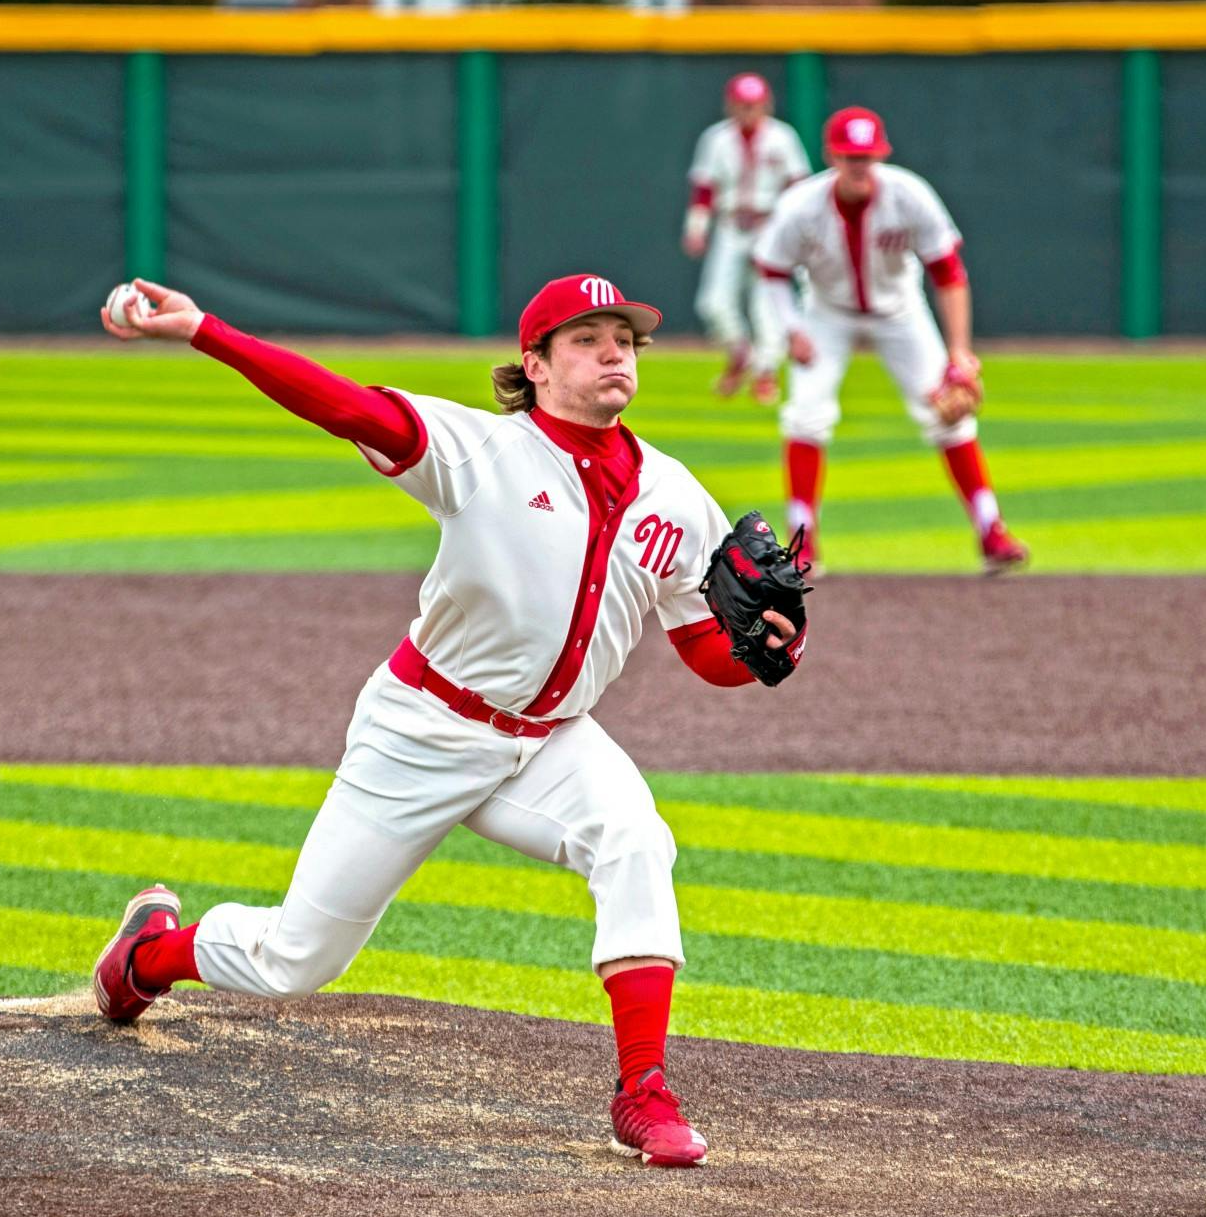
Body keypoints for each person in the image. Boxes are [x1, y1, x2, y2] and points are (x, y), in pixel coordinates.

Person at [91, 273, 801, 1169]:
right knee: (295, 960)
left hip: (552, 740)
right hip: (420, 730)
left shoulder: (676, 496)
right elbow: (343, 405)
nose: (614, 350)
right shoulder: (478, 451)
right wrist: (204, 330)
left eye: (624, 336)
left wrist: (771, 653)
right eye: (586, 338)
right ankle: (147, 957)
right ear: (535, 365)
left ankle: (644, 1090)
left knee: (635, 840)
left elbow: (706, 648)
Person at [752, 105, 1028, 576]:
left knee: (948, 416)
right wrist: (791, 329)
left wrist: (959, 350)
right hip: (827, 313)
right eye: (849, 156)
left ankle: (990, 532)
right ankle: (802, 543)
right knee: (806, 416)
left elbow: (949, 273)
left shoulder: (909, 194)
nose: (859, 166)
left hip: (900, 313)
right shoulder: (801, 205)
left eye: (867, 156)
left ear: (880, 155)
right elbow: (772, 270)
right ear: (832, 157)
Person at [683, 72, 812, 404]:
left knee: (767, 303)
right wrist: (696, 229)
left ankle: (766, 372)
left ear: (766, 104)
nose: (748, 111)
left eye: (753, 105)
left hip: (769, 224)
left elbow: (798, 189)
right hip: (731, 223)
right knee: (712, 302)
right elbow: (704, 189)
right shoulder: (716, 138)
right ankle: (741, 353)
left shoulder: (783, 137)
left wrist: (793, 235)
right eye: (742, 105)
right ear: (730, 105)